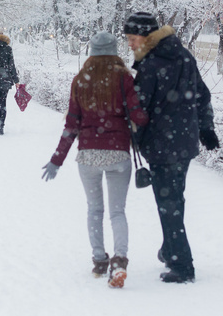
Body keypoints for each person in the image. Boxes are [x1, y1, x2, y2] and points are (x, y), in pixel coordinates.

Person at [42, 32, 148, 288]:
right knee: (117, 211)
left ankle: (100, 261)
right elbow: (140, 117)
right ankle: (120, 261)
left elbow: (71, 125)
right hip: (117, 153)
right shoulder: (123, 78)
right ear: (113, 51)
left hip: (88, 154)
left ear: (91, 52)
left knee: (94, 210)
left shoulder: (81, 80)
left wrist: (57, 160)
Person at [124, 12, 219, 284]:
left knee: (169, 203)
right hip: (184, 143)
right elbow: (202, 94)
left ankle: (182, 265)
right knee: (174, 200)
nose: (130, 44)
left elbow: (139, 109)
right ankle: (170, 250)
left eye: (132, 39)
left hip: (162, 145)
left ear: (144, 36)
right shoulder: (184, 56)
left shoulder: (152, 64)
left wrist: (131, 139)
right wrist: (206, 128)